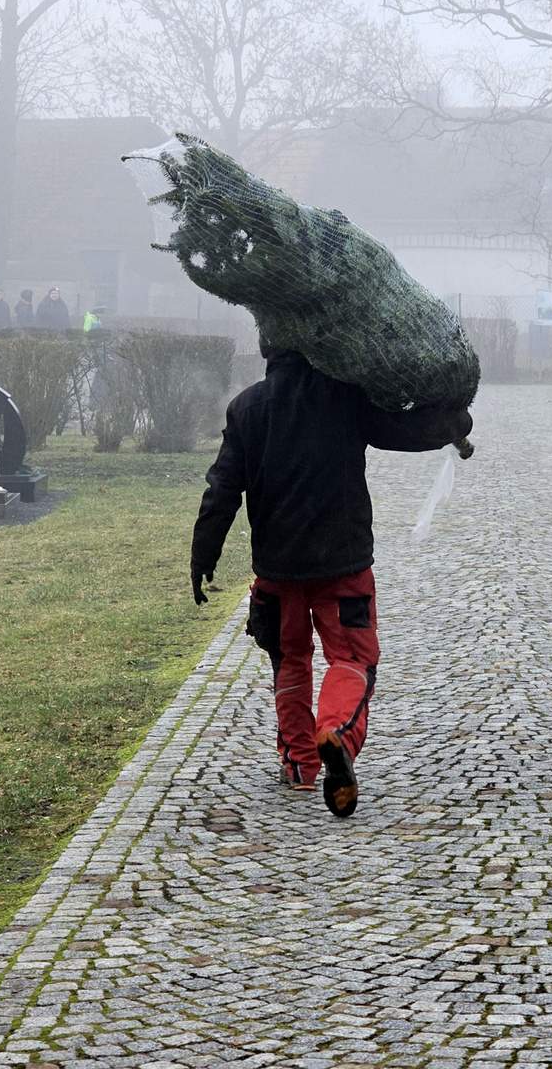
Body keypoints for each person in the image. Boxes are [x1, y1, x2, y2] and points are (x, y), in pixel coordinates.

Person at [190, 341, 473, 818]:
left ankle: (300, 766)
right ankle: (337, 731)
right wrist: (455, 422)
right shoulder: (343, 397)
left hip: (277, 569)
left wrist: (204, 553)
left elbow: (223, 488)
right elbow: (406, 430)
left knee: (289, 661)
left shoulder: (246, 408)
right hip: (343, 565)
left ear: (268, 350)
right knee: (352, 658)